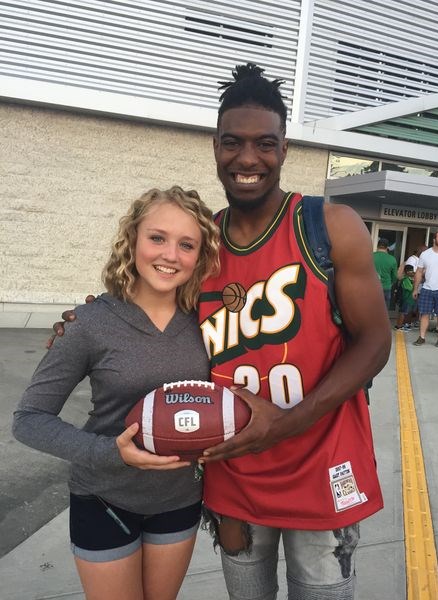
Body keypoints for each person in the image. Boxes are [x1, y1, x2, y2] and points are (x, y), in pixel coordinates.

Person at [50, 64, 391, 600]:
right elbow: (150, 304)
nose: (248, 158)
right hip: (234, 468)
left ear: (284, 147)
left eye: (265, 143)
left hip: (322, 459)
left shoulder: (329, 225)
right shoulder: (201, 242)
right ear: (215, 146)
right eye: (233, 142)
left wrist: (287, 422)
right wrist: (89, 317)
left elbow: (375, 342)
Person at [13, 186, 221, 600]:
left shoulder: (210, 323)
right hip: (104, 496)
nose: (169, 255)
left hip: (178, 499)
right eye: (157, 238)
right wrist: (111, 452)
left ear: (200, 256)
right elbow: (29, 419)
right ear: (133, 239)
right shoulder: (89, 322)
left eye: (186, 244)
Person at [412, 230, 438, 347]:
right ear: (434, 239)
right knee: (424, 314)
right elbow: (418, 272)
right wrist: (415, 289)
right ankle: (422, 337)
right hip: (427, 289)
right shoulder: (425, 254)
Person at [373, 237, 398, 309]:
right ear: (387, 247)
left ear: (377, 246)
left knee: (371, 309)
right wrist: (391, 283)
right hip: (386, 287)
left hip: (372, 287)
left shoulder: (371, 256)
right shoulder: (392, 259)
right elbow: (394, 277)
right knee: (384, 311)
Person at [393, 264, 416, 330]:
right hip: (405, 299)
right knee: (402, 312)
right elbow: (410, 288)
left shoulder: (409, 278)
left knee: (406, 312)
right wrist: (415, 283)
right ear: (406, 272)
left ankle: (402, 325)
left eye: (412, 270)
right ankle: (399, 326)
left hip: (409, 299)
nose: (412, 272)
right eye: (410, 271)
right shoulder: (405, 279)